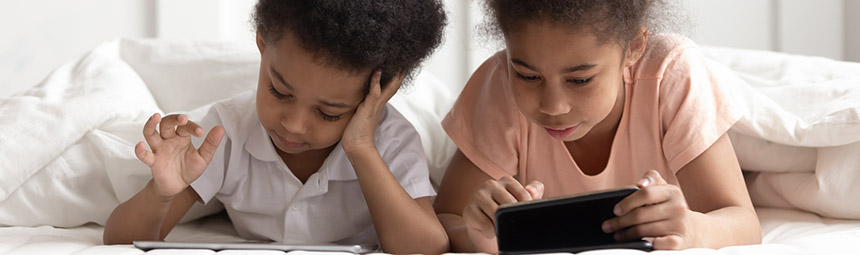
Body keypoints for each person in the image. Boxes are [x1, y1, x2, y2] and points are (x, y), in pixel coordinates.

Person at [103, 0, 448, 253]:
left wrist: (361, 149)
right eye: (279, 91)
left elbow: (427, 247)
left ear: (379, 93)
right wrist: (161, 193)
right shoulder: (228, 129)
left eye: (329, 113)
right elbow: (120, 241)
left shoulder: (390, 140)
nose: (294, 125)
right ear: (262, 42)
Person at [433, 0, 762, 253]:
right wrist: (480, 236)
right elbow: (446, 219)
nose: (553, 106)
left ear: (633, 48)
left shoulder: (670, 75)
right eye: (528, 76)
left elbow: (742, 222)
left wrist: (694, 228)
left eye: (580, 79)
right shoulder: (499, 87)